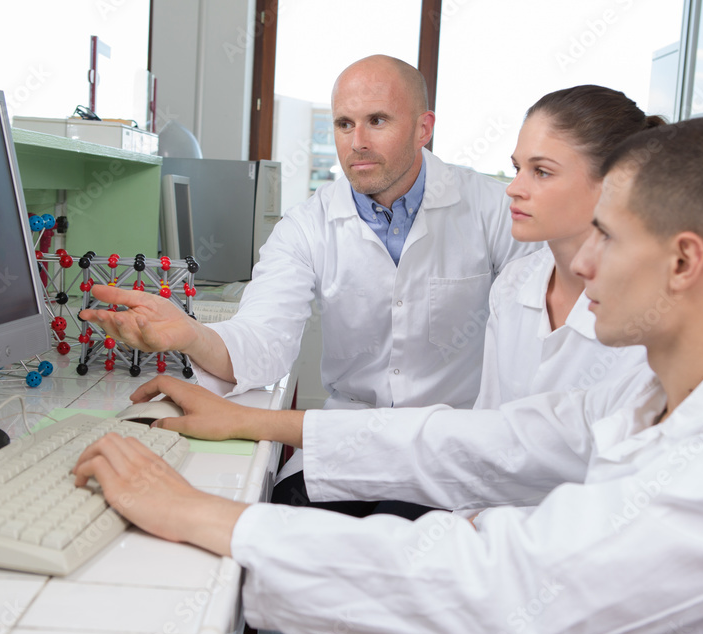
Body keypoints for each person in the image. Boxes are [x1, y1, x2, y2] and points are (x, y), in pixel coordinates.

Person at [74, 117, 703, 634]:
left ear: (683, 262)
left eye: (605, 235)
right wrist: (258, 425)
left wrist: (204, 513)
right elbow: (477, 439)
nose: (583, 262)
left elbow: (518, 589)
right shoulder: (659, 394)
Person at [80, 54, 533, 415]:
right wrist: (191, 335)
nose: (357, 142)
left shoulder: (493, 209)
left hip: (451, 444)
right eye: (343, 124)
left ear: (423, 129)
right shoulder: (306, 227)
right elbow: (265, 340)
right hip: (346, 438)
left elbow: (530, 346)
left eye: (377, 121)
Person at [474, 85, 658, 411]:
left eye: (541, 172)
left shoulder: (649, 317)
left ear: (615, 183)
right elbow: (487, 423)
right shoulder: (512, 284)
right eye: (517, 169)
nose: (514, 188)